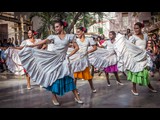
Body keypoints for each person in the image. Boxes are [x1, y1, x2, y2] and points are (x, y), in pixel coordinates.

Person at [18, 20, 83, 105]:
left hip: (64, 59)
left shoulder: (70, 36)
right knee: (54, 78)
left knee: (69, 77)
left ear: (62, 27)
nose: (55, 28)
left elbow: (77, 48)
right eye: (55, 27)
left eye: (57, 26)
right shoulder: (53, 36)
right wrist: (30, 46)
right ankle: (54, 98)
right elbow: (43, 41)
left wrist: (68, 56)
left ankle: (77, 97)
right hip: (53, 58)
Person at [115, 22, 157, 96]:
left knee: (144, 73)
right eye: (134, 28)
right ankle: (134, 88)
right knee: (135, 72)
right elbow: (130, 47)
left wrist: (148, 50)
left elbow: (146, 45)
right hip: (136, 58)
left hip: (143, 57)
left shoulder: (145, 36)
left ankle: (149, 86)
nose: (135, 30)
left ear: (141, 28)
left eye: (137, 28)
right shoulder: (133, 37)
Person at [69, 27, 97, 93]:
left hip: (84, 59)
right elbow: (74, 48)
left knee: (88, 75)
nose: (77, 33)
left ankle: (92, 88)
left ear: (83, 32)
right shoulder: (76, 40)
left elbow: (95, 48)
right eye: (77, 32)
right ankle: (75, 90)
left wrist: (88, 52)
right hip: (77, 59)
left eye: (78, 32)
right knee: (75, 75)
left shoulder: (88, 39)